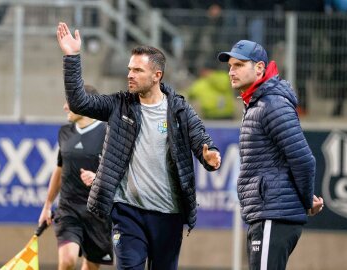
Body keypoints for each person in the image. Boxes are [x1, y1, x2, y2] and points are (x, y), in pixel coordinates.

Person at [56, 22, 222, 270]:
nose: (130, 75)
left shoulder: (179, 109)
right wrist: (72, 57)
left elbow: (201, 139)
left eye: (137, 70)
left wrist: (209, 155)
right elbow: (79, 102)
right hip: (127, 212)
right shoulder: (118, 105)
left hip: (169, 214)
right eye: (129, 69)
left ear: (157, 76)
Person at [217, 40, 324, 270]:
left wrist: (306, 201)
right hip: (267, 214)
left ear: (259, 68)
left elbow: (304, 159)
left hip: (273, 215)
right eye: (230, 66)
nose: (231, 71)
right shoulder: (258, 103)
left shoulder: (272, 104)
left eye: (239, 65)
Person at [38, 85, 113, 270]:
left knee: (91, 266)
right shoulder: (65, 132)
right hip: (68, 209)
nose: (65, 107)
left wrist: (98, 177)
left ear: (85, 104)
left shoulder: (108, 133)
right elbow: (59, 170)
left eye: (69, 102)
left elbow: (120, 171)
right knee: (67, 261)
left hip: (99, 212)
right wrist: (47, 205)